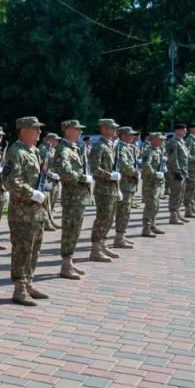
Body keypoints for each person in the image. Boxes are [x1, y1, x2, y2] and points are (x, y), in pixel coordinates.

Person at [3, 116, 49, 306]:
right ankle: (19, 288)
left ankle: (28, 282)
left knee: (34, 249)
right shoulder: (16, 152)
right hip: (22, 212)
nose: (39, 132)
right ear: (23, 130)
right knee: (22, 250)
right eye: (35, 129)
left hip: (37, 211)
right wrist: (32, 193)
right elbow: (10, 182)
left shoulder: (35, 152)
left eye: (39, 129)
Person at [52, 120, 92, 280]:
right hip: (72, 197)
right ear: (68, 131)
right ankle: (65, 264)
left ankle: (69, 261)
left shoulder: (74, 148)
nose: (80, 132)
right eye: (77, 129)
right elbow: (66, 172)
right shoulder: (63, 149)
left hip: (79, 197)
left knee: (75, 230)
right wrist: (83, 177)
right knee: (70, 230)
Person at [88, 119, 122, 262]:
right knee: (102, 219)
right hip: (103, 189)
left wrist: (118, 187)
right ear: (104, 129)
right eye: (112, 128)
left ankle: (102, 244)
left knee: (109, 218)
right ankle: (95, 249)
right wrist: (109, 175)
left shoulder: (111, 145)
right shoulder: (99, 146)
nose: (115, 130)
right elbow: (94, 168)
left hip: (112, 188)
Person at [113, 126, 140, 249]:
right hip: (124, 184)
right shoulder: (120, 148)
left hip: (129, 184)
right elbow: (124, 166)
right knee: (123, 212)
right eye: (131, 135)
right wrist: (136, 172)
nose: (133, 137)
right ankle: (118, 238)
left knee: (126, 211)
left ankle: (121, 235)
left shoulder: (128, 147)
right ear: (123, 136)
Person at [140, 132, 167, 237]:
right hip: (150, 182)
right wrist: (155, 173)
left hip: (157, 182)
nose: (162, 141)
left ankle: (152, 224)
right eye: (160, 140)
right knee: (150, 205)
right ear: (154, 140)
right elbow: (146, 165)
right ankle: (146, 228)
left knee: (156, 205)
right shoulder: (149, 151)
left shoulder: (158, 150)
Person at [166, 123, 189, 225]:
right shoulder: (174, 142)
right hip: (176, 173)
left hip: (183, 172)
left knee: (180, 193)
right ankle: (173, 216)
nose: (185, 131)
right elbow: (173, 159)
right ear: (178, 131)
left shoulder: (181, 142)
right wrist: (177, 171)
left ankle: (177, 213)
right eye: (183, 130)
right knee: (175, 194)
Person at [39, 133, 61, 231]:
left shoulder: (53, 149)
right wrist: (52, 174)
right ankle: (46, 222)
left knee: (52, 202)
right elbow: (43, 166)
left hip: (55, 180)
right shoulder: (43, 149)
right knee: (47, 203)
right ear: (50, 140)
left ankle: (51, 220)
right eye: (56, 140)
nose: (57, 142)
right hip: (48, 179)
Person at [183, 122, 195, 219]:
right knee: (190, 189)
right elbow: (186, 155)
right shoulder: (189, 140)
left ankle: (192, 207)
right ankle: (187, 209)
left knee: (194, 188)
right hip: (191, 168)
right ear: (192, 129)